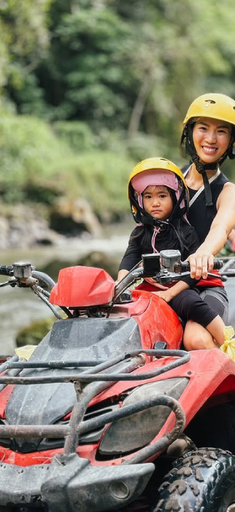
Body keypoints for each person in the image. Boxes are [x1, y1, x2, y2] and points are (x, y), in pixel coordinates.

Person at [118, 157, 233, 350]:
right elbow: (129, 258)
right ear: (139, 201)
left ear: (175, 198)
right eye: (148, 197)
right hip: (154, 287)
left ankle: (227, 341)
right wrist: (119, 286)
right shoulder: (140, 231)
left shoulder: (185, 230)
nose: (155, 202)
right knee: (128, 306)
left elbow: (194, 273)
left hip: (184, 284)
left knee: (187, 301)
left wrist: (171, 293)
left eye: (162, 196)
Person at [176, 93, 235, 349]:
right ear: (190, 132)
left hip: (205, 286)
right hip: (164, 282)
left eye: (221, 131)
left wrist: (202, 255)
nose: (211, 139)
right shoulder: (169, 180)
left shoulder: (229, 191)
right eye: (203, 128)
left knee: (195, 338)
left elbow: (220, 229)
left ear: (231, 140)